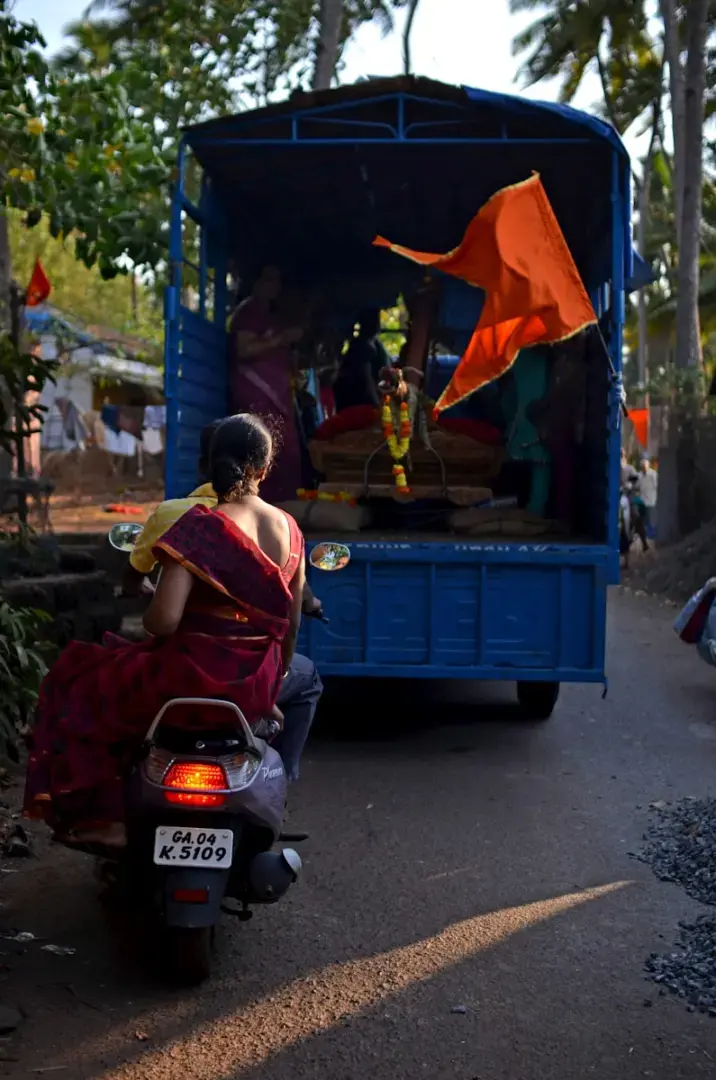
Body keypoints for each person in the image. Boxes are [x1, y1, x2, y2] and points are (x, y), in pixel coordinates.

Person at [24, 414, 322, 849]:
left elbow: (161, 623)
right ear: (263, 468)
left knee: (79, 682)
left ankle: (107, 820)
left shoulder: (199, 528)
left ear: (211, 464)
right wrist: (271, 690)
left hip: (185, 678)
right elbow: (290, 628)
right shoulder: (291, 532)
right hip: (255, 685)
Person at [122, 417, 324, 620]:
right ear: (262, 470)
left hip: (193, 646)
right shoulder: (286, 528)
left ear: (204, 466)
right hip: (263, 649)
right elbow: (294, 605)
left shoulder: (191, 524)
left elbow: (162, 622)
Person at [228, 266, 304, 504]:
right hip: (256, 395)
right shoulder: (248, 312)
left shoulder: (271, 315)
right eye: (268, 279)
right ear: (255, 282)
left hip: (278, 399)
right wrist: (282, 339)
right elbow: (244, 349)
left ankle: (283, 511)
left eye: (277, 281)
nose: (274, 286)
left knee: (286, 456)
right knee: (263, 453)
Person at [333, 310, 391, 413]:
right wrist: (377, 405)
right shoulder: (363, 346)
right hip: (358, 402)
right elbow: (366, 378)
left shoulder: (374, 344)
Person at [638, 456, 658, 537]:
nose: (644, 467)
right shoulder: (639, 475)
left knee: (651, 517)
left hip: (652, 498)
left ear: (648, 465)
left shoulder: (653, 474)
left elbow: (657, 486)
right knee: (645, 517)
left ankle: (651, 533)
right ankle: (646, 533)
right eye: (643, 465)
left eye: (645, 465)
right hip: (643, 499)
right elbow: (637, 485)